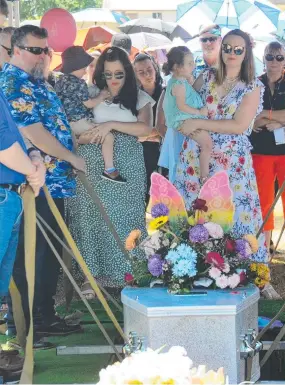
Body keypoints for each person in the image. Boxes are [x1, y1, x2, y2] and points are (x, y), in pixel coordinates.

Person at [0, 25, 85, 340]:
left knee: (49, 255)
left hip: (55, 181)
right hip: (33, 184)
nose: (44, 55)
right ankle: (26, 325)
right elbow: (32, 132)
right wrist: (72, 157)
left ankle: (44, 316)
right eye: (36, 50)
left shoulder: (38, 82)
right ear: (18, 50)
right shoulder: (12, 82)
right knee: (29, 257)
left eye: (46, 50)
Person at [174, 29, 270, 284]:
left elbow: (239, 125)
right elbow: (181, 105)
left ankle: (247, 274)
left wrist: (200, 122)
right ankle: (193, 271)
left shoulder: (253, 86)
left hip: (231, 161)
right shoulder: (204, 77)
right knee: (197, 212)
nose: (231, 53)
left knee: (236, 214)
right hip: (196, 155)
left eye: (238, 49)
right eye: (227, 47)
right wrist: (187, 122)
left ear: (247, 52)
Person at [66, 47, 153, 297]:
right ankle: (90, 276)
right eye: (108, 74)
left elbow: (146, 129)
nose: (113, 80)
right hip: (91, 164)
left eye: (118, 74)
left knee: (128, 216)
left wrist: (111, 125)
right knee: (90, 218)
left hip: (126, 164)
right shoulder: (91, 94)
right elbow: (72, 126)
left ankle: (131, 272)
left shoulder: (139, 97)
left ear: (127, 73)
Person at [0, 89, 46, 377]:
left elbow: (12, 133)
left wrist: (33, 155)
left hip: (10, 195)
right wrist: (33, 170)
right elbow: (4, 145)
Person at [249, 41, 285, 265]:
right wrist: (276, 116)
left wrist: (267, 116)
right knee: (264, 201)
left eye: (279, 57)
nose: (274, 61)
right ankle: (265, 251)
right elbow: (251, 115)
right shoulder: (254, 82)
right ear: (264, 58)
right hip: (260, 151)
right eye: (270, 57)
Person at [55, 46, 124, 183]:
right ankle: (109, 169)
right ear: (78, 66)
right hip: (78, 121)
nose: (86, 70)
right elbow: (89, 104)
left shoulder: (60, 81)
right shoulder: (78, 83)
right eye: (84, 67)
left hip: (65, 124)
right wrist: (102, 96)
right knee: (108, 136)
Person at [163, 46, 211, 183]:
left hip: (185, 119)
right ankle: (204, 177)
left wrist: (190, 80)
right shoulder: (179, 85)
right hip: (184, 120)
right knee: (207, 144)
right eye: (189, 63)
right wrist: (199, 112)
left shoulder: (181, 81)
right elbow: (182, 106)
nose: (193, 65)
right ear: (178, 67)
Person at [133, 52, 163, 204]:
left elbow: (168, 128)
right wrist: (156, 133)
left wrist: (149, 134)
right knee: (143, 195)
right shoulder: (134, 97)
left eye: (149, 69)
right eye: (141, 72)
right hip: (142, 155)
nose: (147, 74)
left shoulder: (166, 92)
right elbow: (136, 133)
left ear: (155, 69)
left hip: (165, 152)